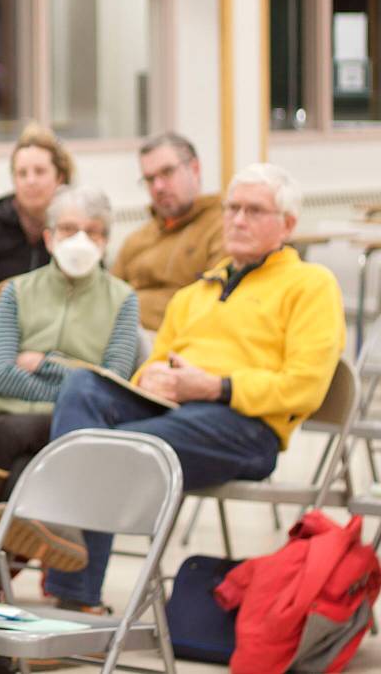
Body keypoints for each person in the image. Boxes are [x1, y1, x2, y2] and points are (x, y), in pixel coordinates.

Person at [41, 163, 345, 612]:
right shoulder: (195, 292)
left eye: (254, 210)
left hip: (246, 427)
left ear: (288, 224)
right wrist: (150, 378)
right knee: (84, 386)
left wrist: (217, 387)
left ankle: (60, 533)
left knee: (111, 446)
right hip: (176, 412)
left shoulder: (310, 285)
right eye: (232, 208)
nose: (238, 220)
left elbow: (305, 387)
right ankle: (67, 540)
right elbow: (156, 363)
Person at [0, 186, 139, 573]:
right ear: (49, 238)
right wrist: (79, 376)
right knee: (16, 450)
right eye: (68, 229)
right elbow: (2, 377)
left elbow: (110, 385)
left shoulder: (123, 299)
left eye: (92, 231)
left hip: (75, 425)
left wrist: (47, 363)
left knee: (8, 435)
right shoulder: (16, 292)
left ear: (105, 241)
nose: (80, 239)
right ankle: (13, 560)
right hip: (13, 415)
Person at [0, 123, 74, 350]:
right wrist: (22, 322)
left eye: (40, 171)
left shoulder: (77, 232)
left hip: (60, 343)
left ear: (60, 177)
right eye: (22, 173)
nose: (30, 181)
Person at [111, 132, 225, 331]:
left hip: (182, 339)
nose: (158, 187)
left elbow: (212, 306)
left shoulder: (221, 228)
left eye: (167, 172)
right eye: (150, 179)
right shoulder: (136, 239)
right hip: (126, 338)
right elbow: (106, 301)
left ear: (195, 169)